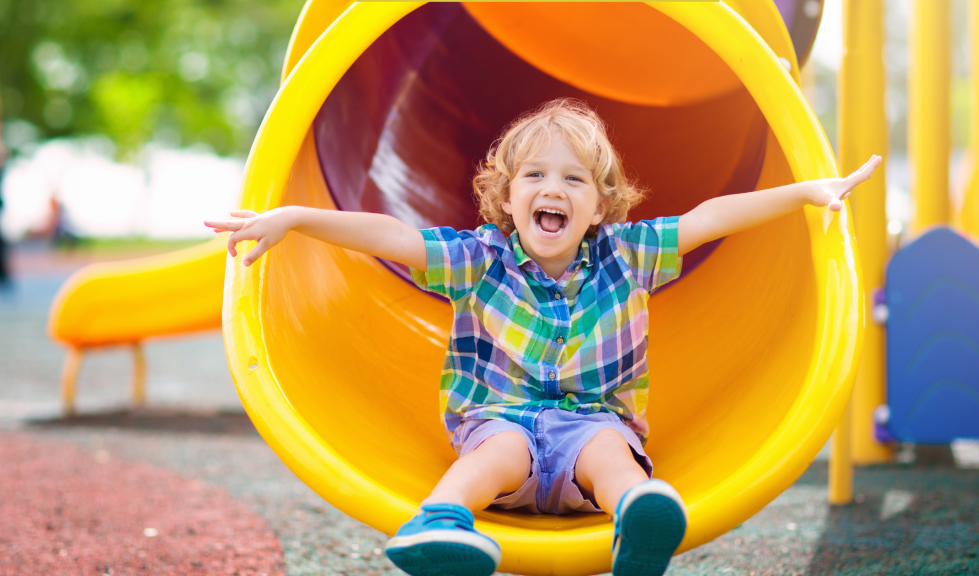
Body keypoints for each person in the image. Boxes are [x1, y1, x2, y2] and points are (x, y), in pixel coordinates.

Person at [205, 99, 880, 576]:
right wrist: (294, 217)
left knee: (611, 451)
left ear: (600, 204)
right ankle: (440, 524)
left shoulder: (628, 252)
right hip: (501, 424)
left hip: (591, 425)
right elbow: (391, 236)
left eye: (572, 179)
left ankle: (639, 516)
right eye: (534, 176)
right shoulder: (479, 256)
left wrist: (804, 192)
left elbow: (709, 218)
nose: (550, 189)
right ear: (507, 196)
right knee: (496, 449)